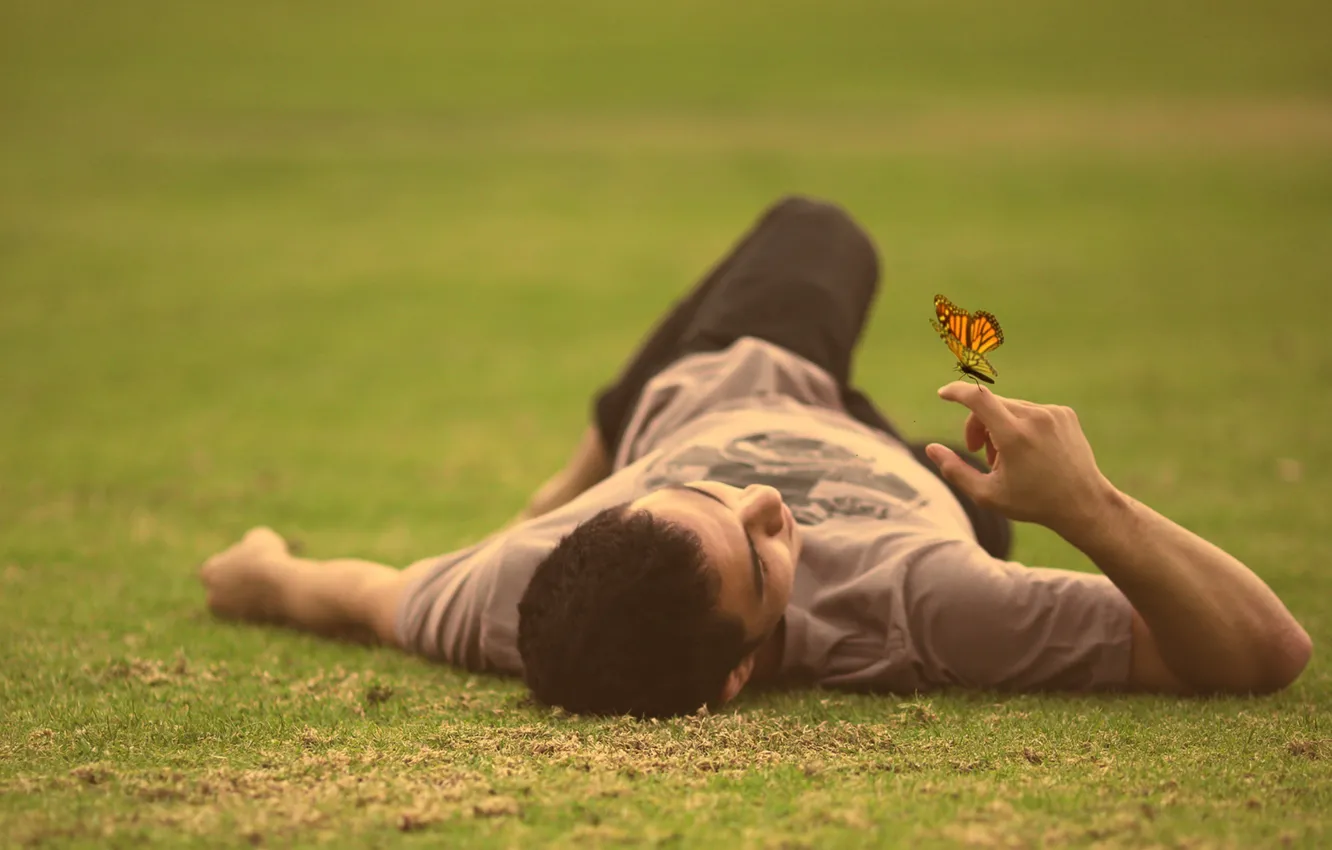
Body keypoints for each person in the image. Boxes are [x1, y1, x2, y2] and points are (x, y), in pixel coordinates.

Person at [200, 196, 1312, 718]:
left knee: (814, 232)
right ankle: (639, 427)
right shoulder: (917, 601)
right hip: (924, 485)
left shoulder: (514, 587)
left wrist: (258, 570)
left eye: (708, 503)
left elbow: (355, 592)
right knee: (981, 501)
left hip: (731, 393)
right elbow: (1265, 652)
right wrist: (1093, 507)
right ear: (739, 671)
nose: (766, 501)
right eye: (762, 551)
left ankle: (600, 444)